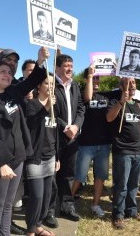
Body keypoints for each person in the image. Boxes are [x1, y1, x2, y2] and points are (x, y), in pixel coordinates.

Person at [0, 48, 49, 236]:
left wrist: (40, 61)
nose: (8, 75)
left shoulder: (13, 92)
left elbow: (32, 80)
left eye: (9, 72)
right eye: (2, 72)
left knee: (8, 206)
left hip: (18, 158)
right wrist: (1, 163)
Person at [71, 66, 118, 218]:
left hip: (104, 145)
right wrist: (90, 76)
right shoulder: (82, 95)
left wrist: (119, 73)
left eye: (98, 78)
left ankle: (95, 204)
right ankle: (68, 202)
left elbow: (124, 88)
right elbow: (88, 98)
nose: (97, 80)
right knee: (80, 176)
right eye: (93, 78)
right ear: (86, 79)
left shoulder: (107, 95)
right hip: (86, 144)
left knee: (101, 176)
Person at [106, 77, 140, 230]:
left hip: (138, 150)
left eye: (134, 83)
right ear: (121, 86)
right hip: (122, 151)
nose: (132, 85)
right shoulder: (115, 102)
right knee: (121, 185)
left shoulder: (138, 104)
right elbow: (109, 118)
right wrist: (120, 103)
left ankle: (132, 210)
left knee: (134, 185)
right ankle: (118, 215)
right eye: (128, 83)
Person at [25, 74, 59, 236]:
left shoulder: (55, 106)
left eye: (53, 84)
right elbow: (31, 124)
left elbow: (56, 133)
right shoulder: (32, 104)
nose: (50, 86)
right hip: (35, 158)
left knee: (46, 196)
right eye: (47, 83)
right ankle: (30, 230)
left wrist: (57, 156)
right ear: (39, 86)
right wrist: (46, 108)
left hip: (50, 156)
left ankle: (38, 225)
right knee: (37, 196)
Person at [54, 54, 85, 221]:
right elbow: (49, 110)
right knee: (53, 175)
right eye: (66, 66)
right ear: (58, 68)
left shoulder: (75, 86)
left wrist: (76, 126)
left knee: (68, 174)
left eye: (71, 66)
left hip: (73, 138)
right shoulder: (51, 85)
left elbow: (81, 108)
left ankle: (67, 207)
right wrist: (65, 127)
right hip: (55, 138)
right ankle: (49, 210)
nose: (70, 69)